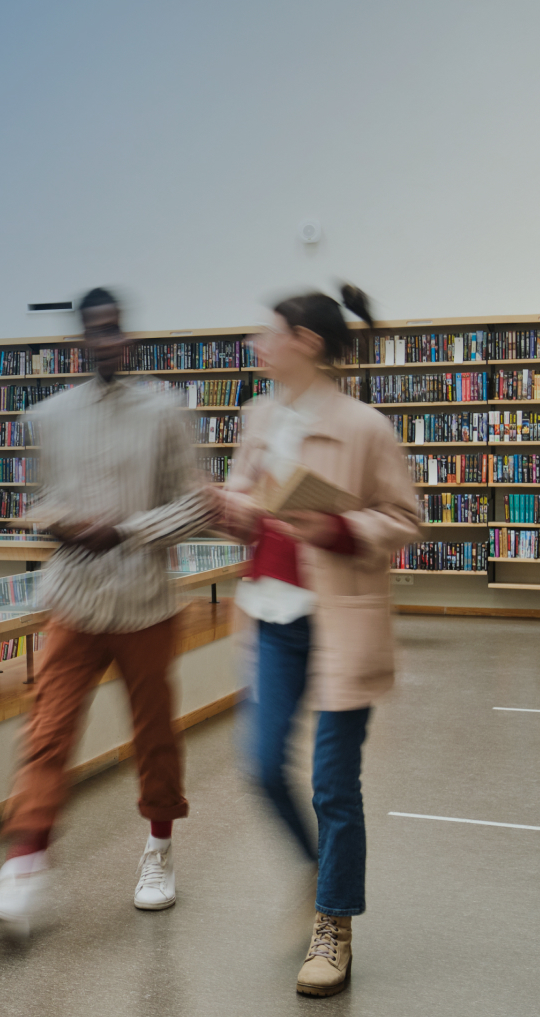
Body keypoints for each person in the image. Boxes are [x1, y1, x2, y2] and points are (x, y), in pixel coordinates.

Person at [0, 288, 214, 937]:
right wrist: (61, 523)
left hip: (145, 603)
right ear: (80, 341)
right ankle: (23, 873)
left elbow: (197, 505)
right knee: (47, 733)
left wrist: (126, 530)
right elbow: (37, 502)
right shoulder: (50, 416)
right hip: (72, 600)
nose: (107, 341)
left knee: (154, 734)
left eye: (115, 329)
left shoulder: (164, 412)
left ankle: (159, 849)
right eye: (95, 331)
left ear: (127, 337)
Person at [215, 285, 419, 997]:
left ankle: (334, 923)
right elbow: (249, 499)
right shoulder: (258, 416)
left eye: (269, 333)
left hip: (340, 625)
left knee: (334, 785)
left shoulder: (365, 427)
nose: (258, 346)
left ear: (304, 341)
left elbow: (403, 517)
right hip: (272, 617)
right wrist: (227, 510)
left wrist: (337, 527)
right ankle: (314, 869)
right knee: (263, 766)